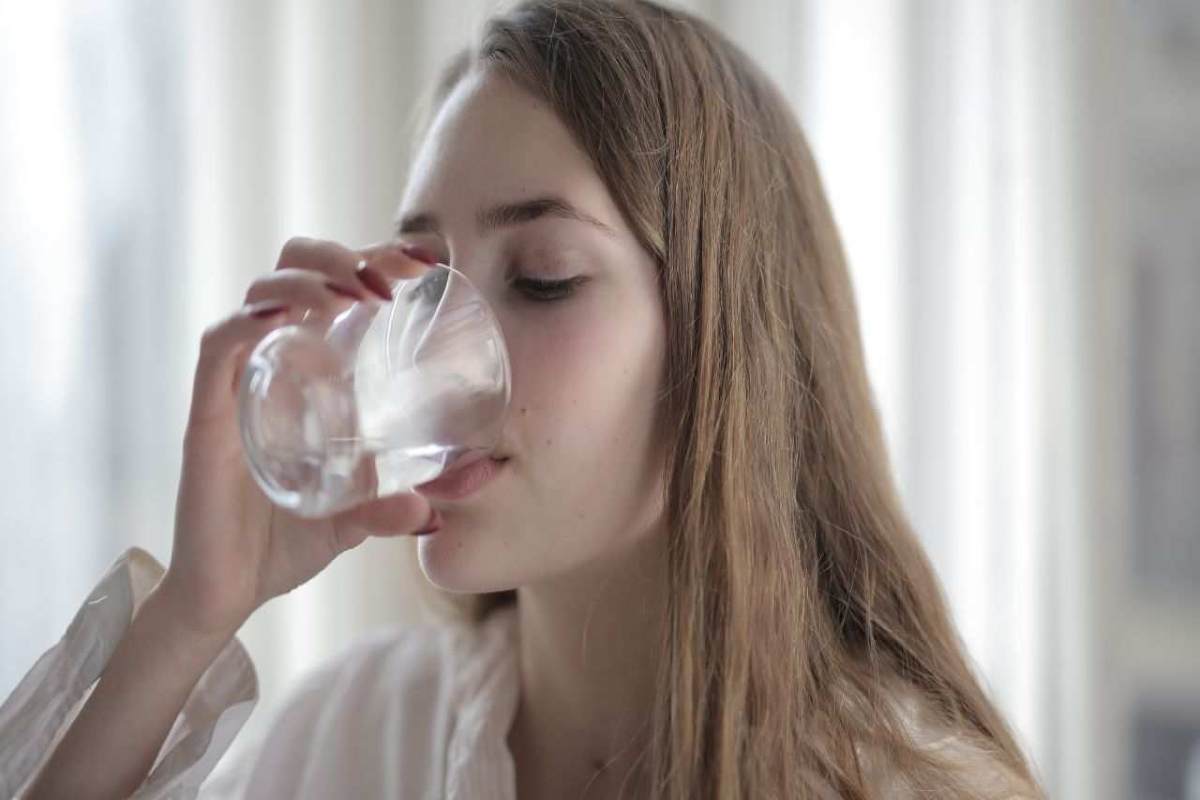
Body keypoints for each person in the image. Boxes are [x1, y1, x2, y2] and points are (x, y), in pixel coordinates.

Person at [2, 0, 1045, 797]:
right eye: (417, 282)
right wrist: (191, 612)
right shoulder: (360, 734)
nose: (434, 357)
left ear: (727, 346)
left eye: (542, 276)